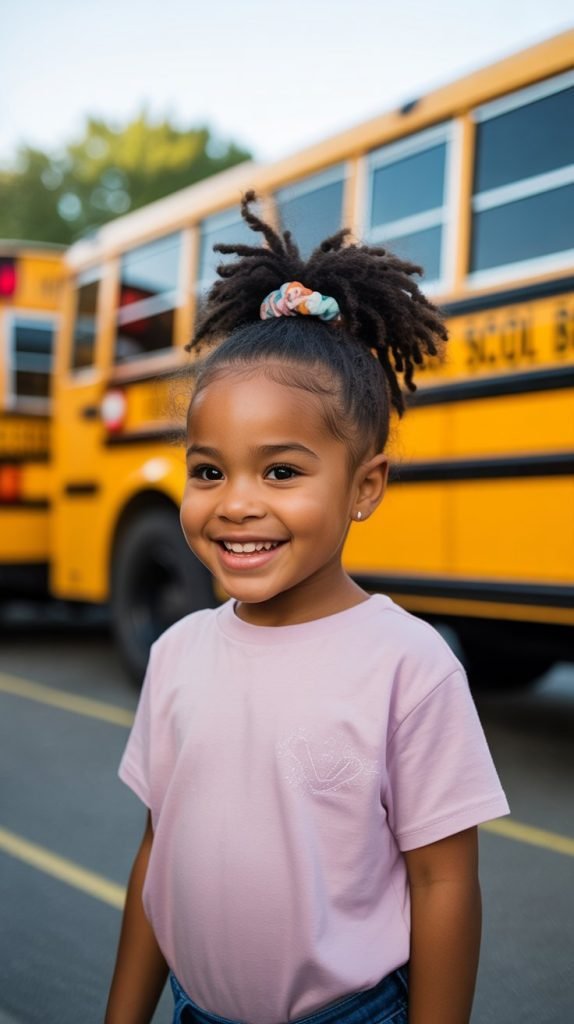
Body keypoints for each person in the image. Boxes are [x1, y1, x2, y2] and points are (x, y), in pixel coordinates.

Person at [105, 192, 509, 1024]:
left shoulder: (410, 665)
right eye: (208, 470)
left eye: (281, 472)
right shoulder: (178, 652)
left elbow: (444, 883)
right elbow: (158, 852)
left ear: (366, 486)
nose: (236, 504)